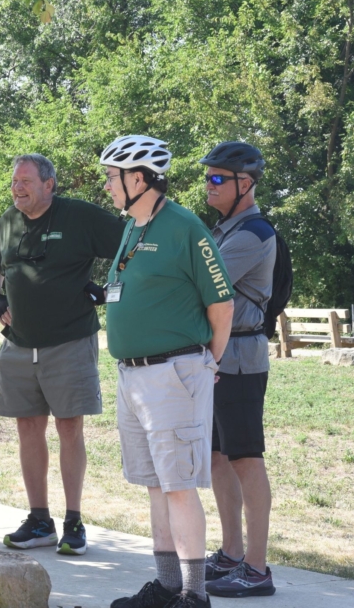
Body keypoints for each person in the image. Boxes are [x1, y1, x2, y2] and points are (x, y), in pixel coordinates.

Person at [101, 135, 234, 608]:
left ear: (139, 178)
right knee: (155, 484)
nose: (108, 186)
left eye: (113, 177)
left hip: (173, 374)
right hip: (132, 375)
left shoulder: (184, 227)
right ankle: (167, 586)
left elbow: (222, 305)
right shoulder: (133, 226)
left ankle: (195, 596)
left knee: (178, 486)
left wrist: (207, 363)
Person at [0, 154, 124, 556]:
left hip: (69, 343)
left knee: (69, 429)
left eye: (26, 181)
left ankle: (73, 522)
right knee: (28, 429)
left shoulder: (80, 217)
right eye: (14, 181)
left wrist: (109, 288)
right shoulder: (8, 221)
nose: (17, 188)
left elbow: (132, 249)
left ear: (50, 184)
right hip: (17, 345)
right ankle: (40, 519)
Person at [199, 142, 277, 598]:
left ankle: (257, 568)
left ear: (243, 184)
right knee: (217, 458)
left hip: (242, 361)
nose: (208, 185)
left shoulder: (253, 233)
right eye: (207, 177)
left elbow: (205, 285)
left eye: (216, 178)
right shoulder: (227, 228)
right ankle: (231, 553)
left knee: (246, 460)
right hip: (218, 359)